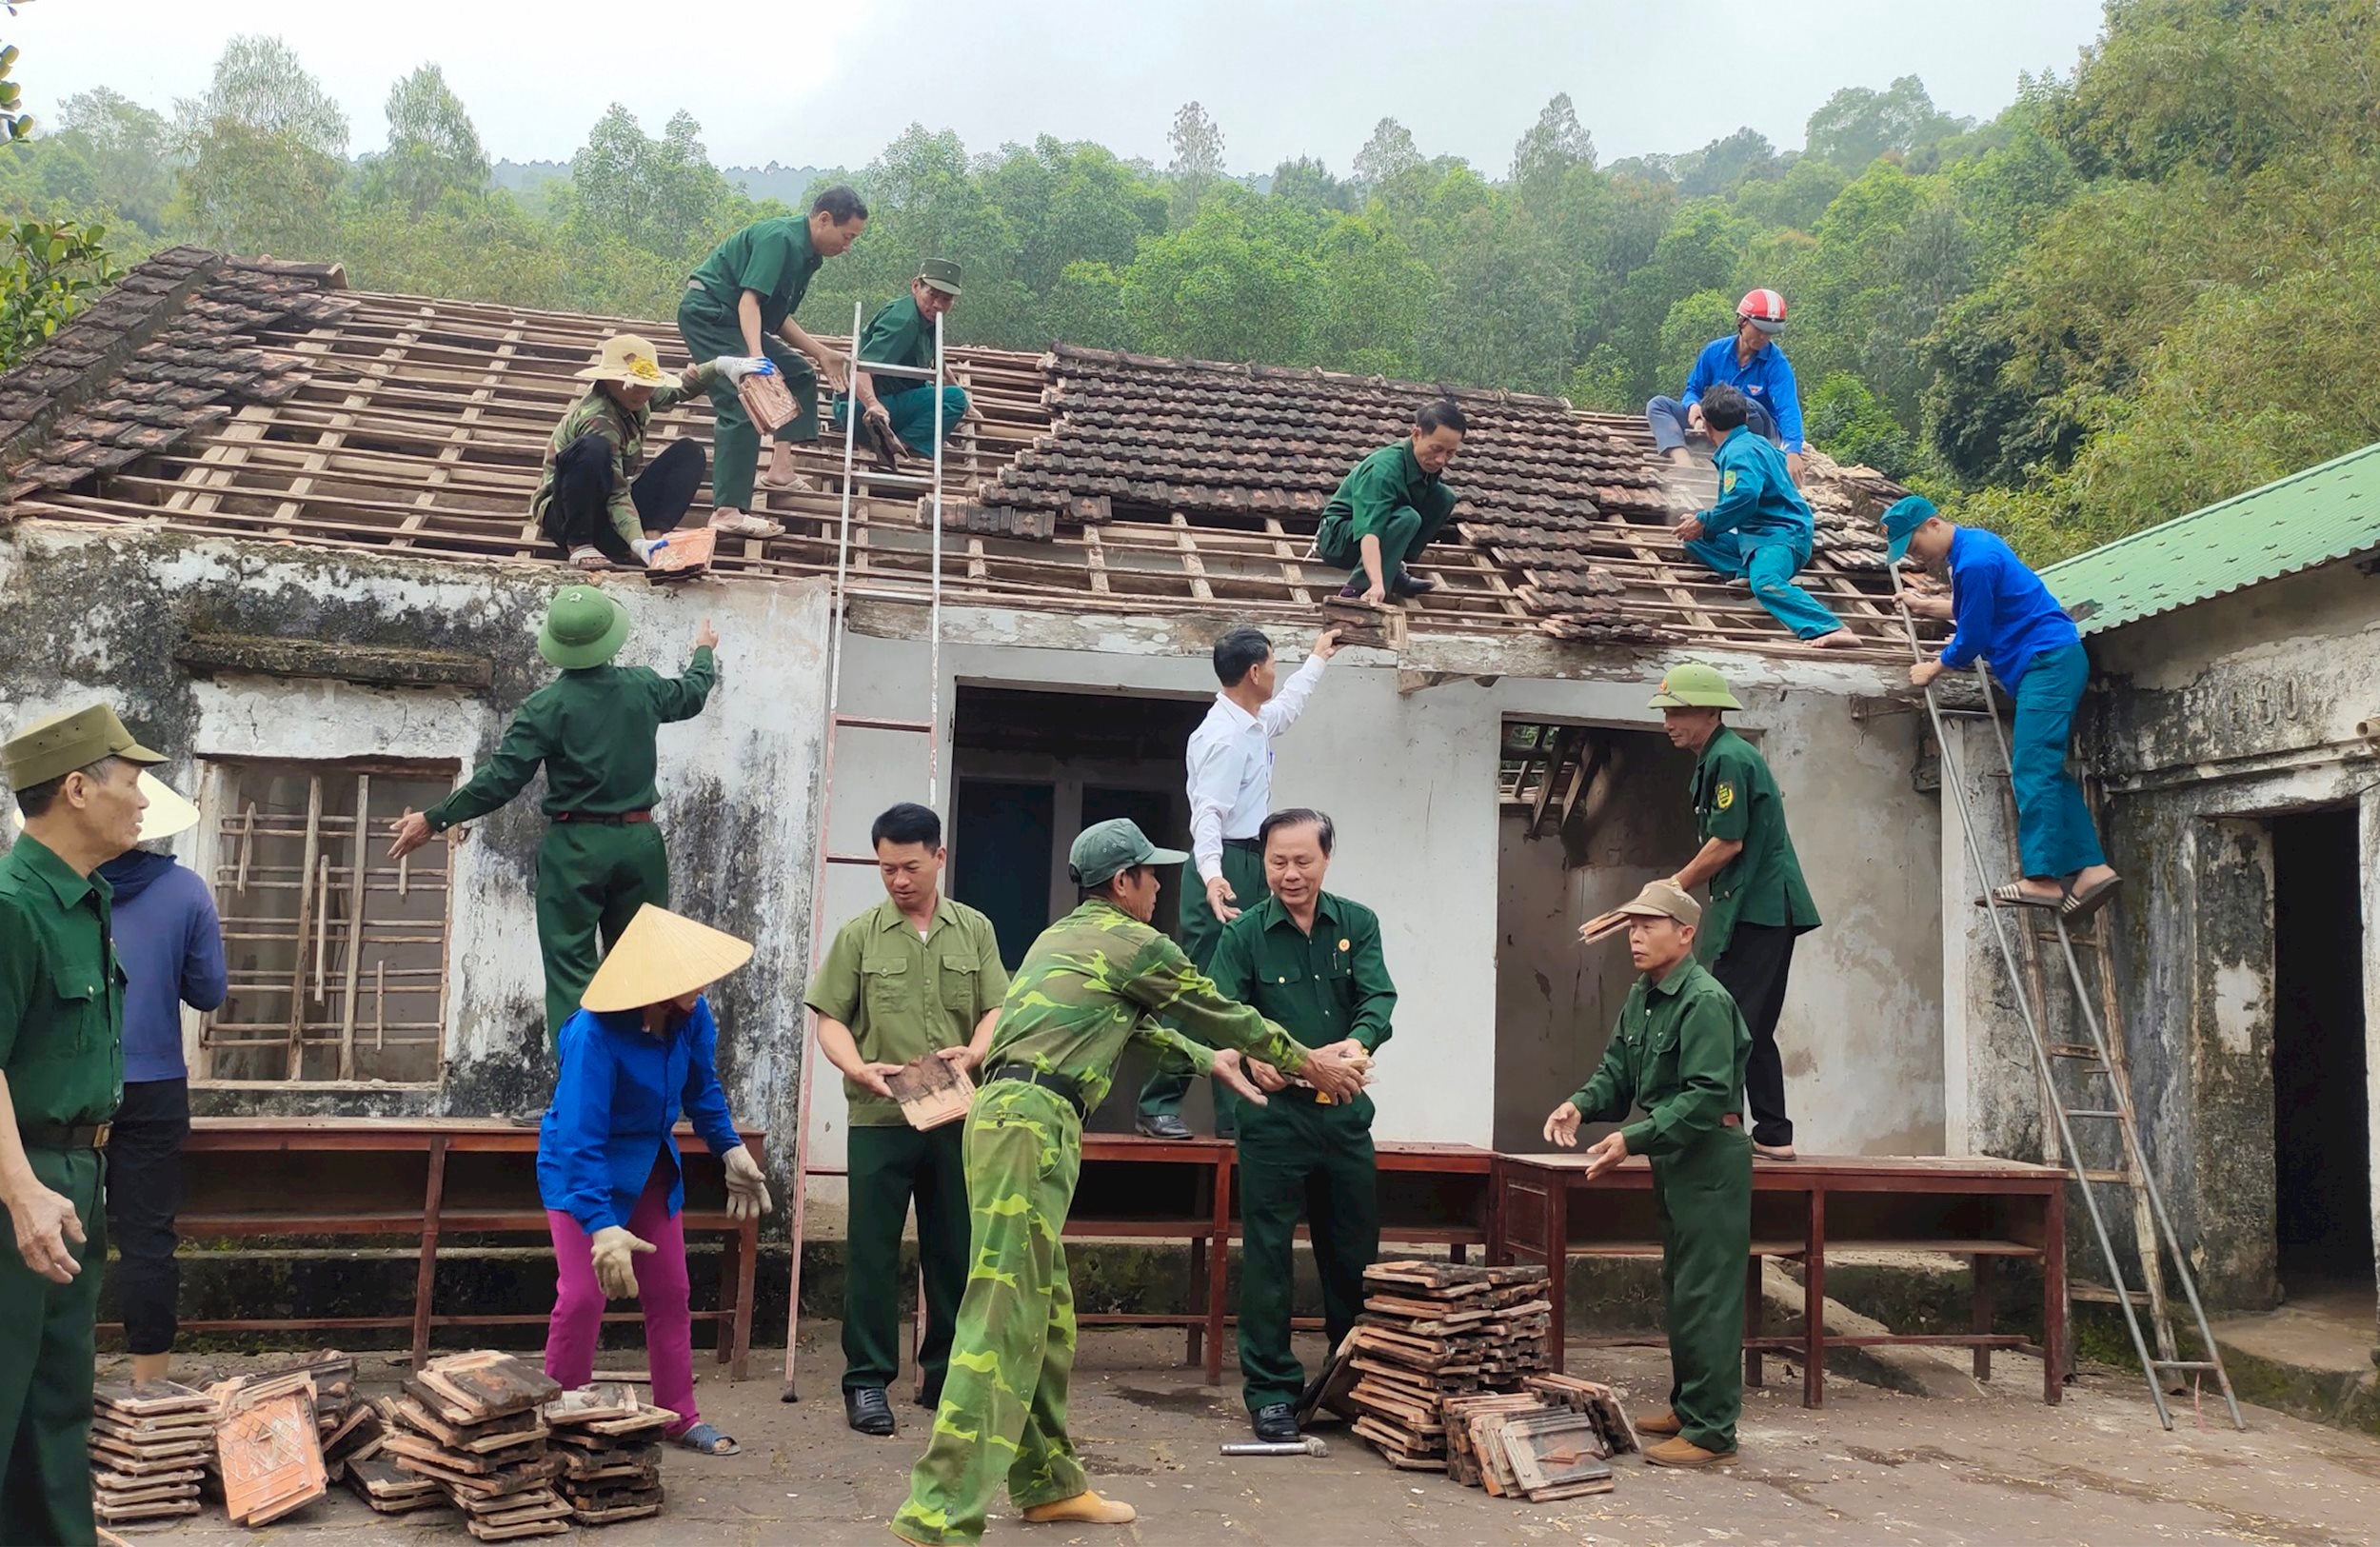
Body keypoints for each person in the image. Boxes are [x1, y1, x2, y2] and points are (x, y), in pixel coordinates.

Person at [889, 819, 1369, 1547]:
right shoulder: (1137, 942)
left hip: (1015, 1119)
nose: (1158, 887)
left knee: (1046, 1313)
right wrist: (1311, 1064)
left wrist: (1209, 1063)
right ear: (1124, 883)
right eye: (1151, 875)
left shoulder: (1068, 938)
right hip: (1030, 1124)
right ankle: (936, 1512)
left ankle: (1048, 1483)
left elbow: (1137, 1023)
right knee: (1000, 1316)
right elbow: (1220, 1008)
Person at [387, 588, 719, 1040]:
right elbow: (693, 693)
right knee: (642, 971)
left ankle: (579, 1096)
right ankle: (638, 1091)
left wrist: (436, 817)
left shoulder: (543, 708)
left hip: (575, 849)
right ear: (609, 640)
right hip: (640, 845)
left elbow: (501, 779)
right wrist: (703, 650)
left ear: (558, 646)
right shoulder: (643, 686)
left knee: (571, 973)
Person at [0, 703, 166, 1544]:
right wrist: (22, 1187)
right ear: (75, 788)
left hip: (75, 1176)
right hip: (15, 1180)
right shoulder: (10, 904)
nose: (143, 801)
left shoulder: (86, 899)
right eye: (132, 783)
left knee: (56, 1400)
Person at [538, 902, 771, 1458]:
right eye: (688, 979)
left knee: (671, 1292)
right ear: (653, 984)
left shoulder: (692, 1017)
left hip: (650, 1170)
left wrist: (729, 1147)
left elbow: (702, 1091)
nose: (701, 986)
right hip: (581, 1175)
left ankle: (677, 1416)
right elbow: (579, 1137)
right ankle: (557, 1416)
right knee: (582, 1296)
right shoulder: (593, 1035)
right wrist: (598, 1225)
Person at [804, 802, 1007, 1438]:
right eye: (887, 867)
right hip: (879, 1114)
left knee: (955, 1249)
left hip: (953, 1114)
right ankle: (866, 1381)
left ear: (939, 857)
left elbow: (998, 1008)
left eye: (910, 866)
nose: (898, 879)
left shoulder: (974, 930)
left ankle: (946, 1376)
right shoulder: (861, 934)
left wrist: (975, 1050)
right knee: (870, 1253)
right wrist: (857, 1065)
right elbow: (829, 1016)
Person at [1541, 880, 1750, 1471]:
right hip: (1674, 1154)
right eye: (1632, 925)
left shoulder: (1704, 1000)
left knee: (1708, 1291)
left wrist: (1631, 1139)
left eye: (1649, 924)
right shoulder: (1645, 995)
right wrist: (1580, 1104)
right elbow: (1618, 1071)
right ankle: (1690, 1406)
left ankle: (1713, 1431)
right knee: (1682, 1286)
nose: (1635, 935)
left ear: (1685, 934)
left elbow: (1707, 1096)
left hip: (1709, 1154)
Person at [1204, 809, 1393, 1442]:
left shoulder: (1357, 923)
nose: (1290, 873)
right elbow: (1220, 1010)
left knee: (1354, 1257)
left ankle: (1356, 1382)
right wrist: (1254, 1057)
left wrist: (1359, 1042)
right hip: (1272, 1121)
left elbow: (1378, 1000)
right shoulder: (1244, 935)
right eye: (1278, 861)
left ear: (1326, 859)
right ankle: (1272, 1393)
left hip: (1341, 1115)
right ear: (1263, 862)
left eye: (1303, 860)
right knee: (1268, 1257)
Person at [1135, 625, 1340, 1140]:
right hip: (1225, 861)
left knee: (1243, 989)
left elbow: (1287, 709)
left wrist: (1319, 658)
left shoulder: (1250, 721)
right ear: (1254, 671)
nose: (1276, 672)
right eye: (1273, 663)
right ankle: (1157, 1102)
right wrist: (1212, 875)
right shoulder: (1224, 738)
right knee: (1203, 986)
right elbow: (1207, 814)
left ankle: (1236, 1111)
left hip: (1249, 859)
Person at [1886, 495, 2121, 916]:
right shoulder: (1974, 549)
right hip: (2047, 661)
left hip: (2047, 663)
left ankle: (2044, 880)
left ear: (1934, 524)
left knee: (2031, 768)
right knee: (2046, 770)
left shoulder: (1973, 562)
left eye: (1915, 543)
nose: (1915, 554)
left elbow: (1974, 636)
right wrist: (1926, 605)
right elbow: (1984, 610)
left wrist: (1934, 668)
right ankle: (2092, 869)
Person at [1648, 664, 1818, 1161]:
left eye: (1679, 712)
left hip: (1759, 909)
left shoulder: (1728, 758)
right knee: (1751, 1022)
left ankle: (1729, 1125)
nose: (1669, 722)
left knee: (1730, 1021)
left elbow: (1728, 842)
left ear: (1710, 711)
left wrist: (1672, 886)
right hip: (1752, 909)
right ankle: (1771, 1132)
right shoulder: (1716, 759)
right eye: (1667, 712)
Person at [90, 777, 222, 1384]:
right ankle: (149, 1386)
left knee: (58, 1231)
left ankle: (59, 1378)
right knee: (147, 1238)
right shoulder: (186, 891)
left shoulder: (50, 888)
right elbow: (208, 991)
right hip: (155, 1086)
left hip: (72, 1084)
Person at [678, 187, 869, 527]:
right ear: (824, 219)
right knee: (743, 401)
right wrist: (755, 362)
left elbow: (777, 318)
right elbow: (748, 302)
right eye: (846, 236)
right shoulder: (780, 239)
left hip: (737, 320)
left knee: (799, 373)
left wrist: (821, 353)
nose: (848, 246)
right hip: (710, 313)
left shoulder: (810, 257)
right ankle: (727, 511)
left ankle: (781, 470)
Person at [536, 333, 783, 570]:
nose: (642, 392)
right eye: (634, 384)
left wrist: (721, 365)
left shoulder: (635, 398)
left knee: (689, 453)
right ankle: (581, 545)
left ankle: (653, 537)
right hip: (567, 516)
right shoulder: (599, 419)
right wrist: (636, 540)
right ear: (608, 381)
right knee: (592, 450)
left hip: (611, 520)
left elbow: (679, 388)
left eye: (648, 385)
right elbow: (615, 491)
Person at [1676, 385, 1854, 648]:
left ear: (1707, 426)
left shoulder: (1738, 452)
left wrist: (1707, 519)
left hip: (1781, 536)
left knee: (1766, 583)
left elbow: (1745, 496)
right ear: (1745, 418)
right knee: (1696, 539)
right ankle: (1747, 571)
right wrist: (1704, 523)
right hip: (1756, 538)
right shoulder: (1754, 443)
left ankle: (1831, 627)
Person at [1646, 288, 1807, 486]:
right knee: (1658, 404)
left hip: (1753, 433)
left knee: (1743, 404)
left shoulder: (1777, 365)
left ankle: (1736, 463)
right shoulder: (1714, 352)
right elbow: (1693, 389)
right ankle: (1683, 461)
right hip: (1714, 424)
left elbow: (1788, 408)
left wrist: (1793, 451)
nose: (1764, 337)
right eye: (1760, 329)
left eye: (1770, 333)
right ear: (1742, 321)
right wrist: (1693, 407)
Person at [1316, 399, 1467, 604]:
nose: (1441, 460)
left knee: (1444, 497)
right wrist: (1376, 583)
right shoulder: (1383, 471)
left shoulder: (1426, 467)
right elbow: (1370, 531)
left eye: (1450, 453)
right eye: (1436, 449)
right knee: (1408, 518)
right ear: (1416, 435)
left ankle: (1394, 569)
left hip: (1378, 535)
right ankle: (1356, 588)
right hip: (1339, 540)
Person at [835, 259, 973, 463]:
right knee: (954, 399)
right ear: (916, 286)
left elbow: (938, 362)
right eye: (932, 295)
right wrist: (873, 405)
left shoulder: (929, 319)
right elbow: (861, 368)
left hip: (890, 397)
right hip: (862, 412)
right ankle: (899, 445)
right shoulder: (904, 322)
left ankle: (914, 436)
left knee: (941, 391)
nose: (937, 305)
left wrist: (970, 408)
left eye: (946, 299)